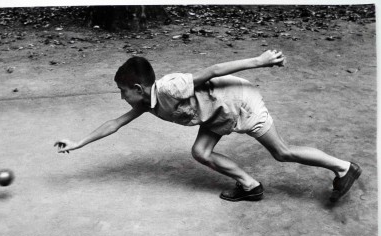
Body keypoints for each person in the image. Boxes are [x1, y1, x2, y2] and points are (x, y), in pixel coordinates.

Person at [54, 50, 361, 202]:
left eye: (123, 90)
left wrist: (262, 60)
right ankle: (251, 187)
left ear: (138, 86)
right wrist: (79, 142)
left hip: (239, 101)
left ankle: (344, 168)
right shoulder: (144, 103)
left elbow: (212, 70)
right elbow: (115, 124)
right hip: (217, 112)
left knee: (281, 152)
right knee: (201, 151)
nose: (122, 96)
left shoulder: (170, 87)